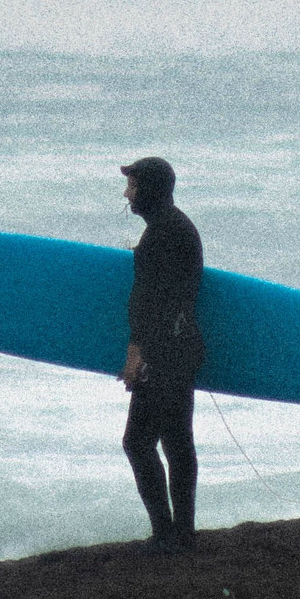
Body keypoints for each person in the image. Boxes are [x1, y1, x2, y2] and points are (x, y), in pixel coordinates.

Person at [117, 155, 204, 554]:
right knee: (175, 441)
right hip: (181, 347)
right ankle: (182, 533)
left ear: (148, 190)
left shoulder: (163, 235)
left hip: (165, 351)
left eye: (132, 186)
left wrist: (138, 353)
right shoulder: (175, 227)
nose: (126, 194)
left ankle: (165, 535)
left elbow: (151, 301)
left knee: (138, 442)